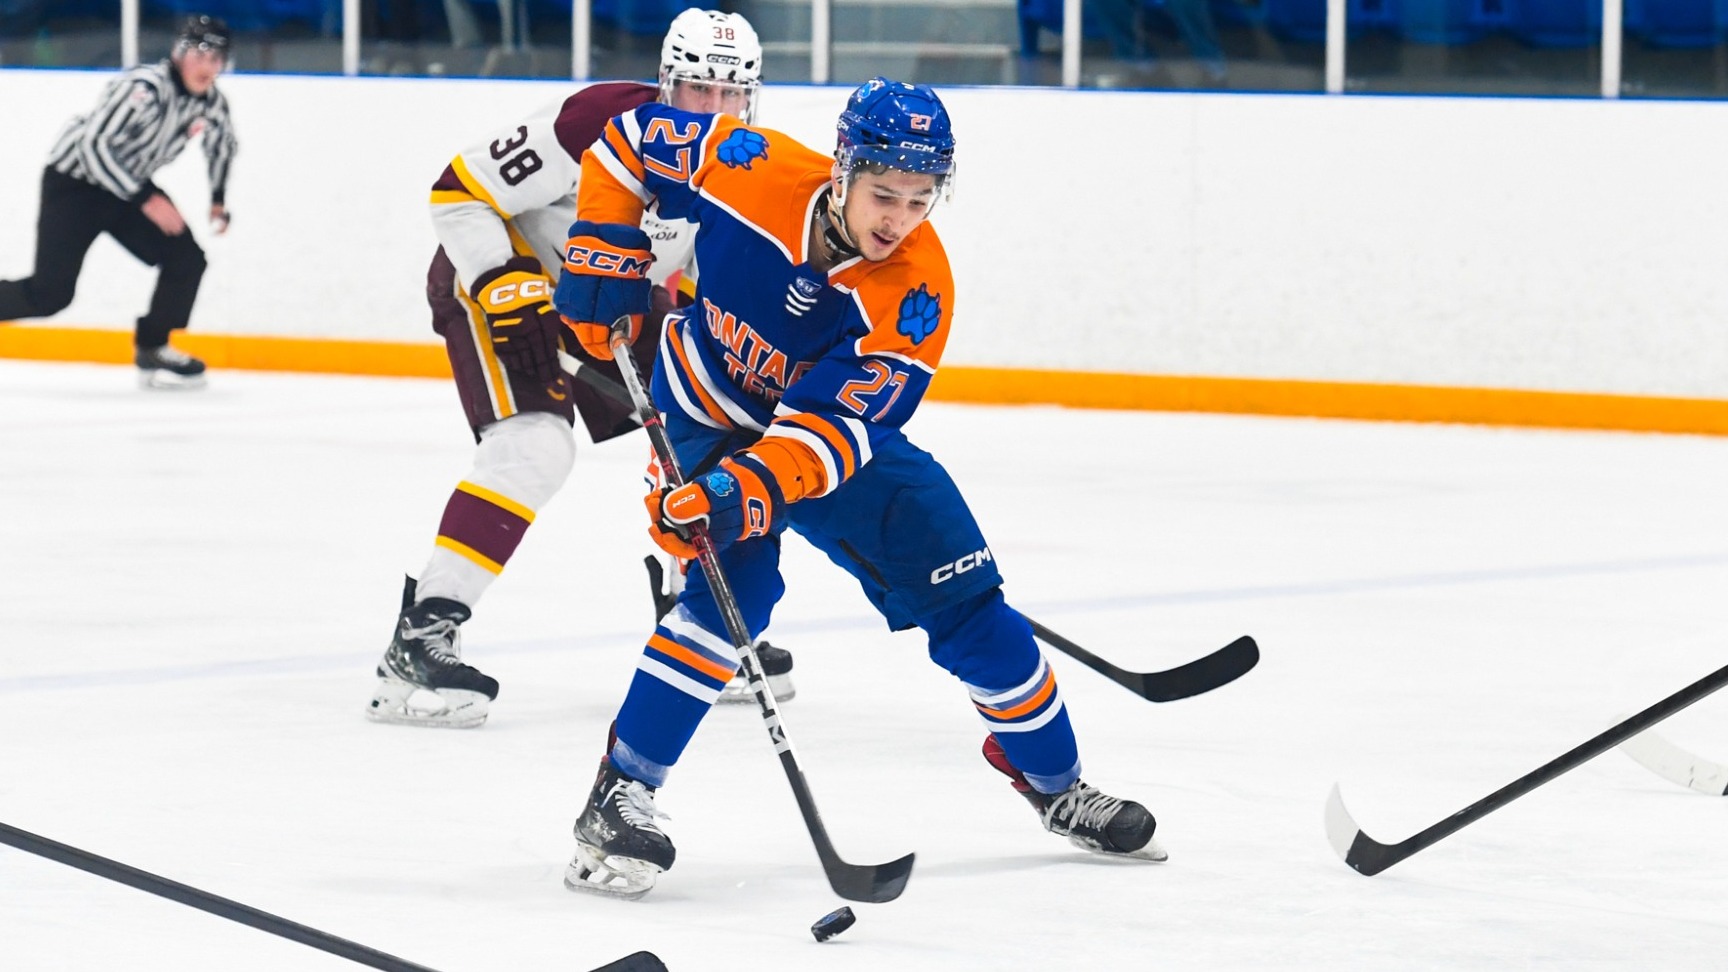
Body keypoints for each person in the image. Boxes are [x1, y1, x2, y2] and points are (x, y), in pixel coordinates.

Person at [553, 77, 1166, 898]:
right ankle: (620, 794)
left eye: (920, 200)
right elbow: (625, 143)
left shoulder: (915, 294)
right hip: (705, 405)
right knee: (731, 590)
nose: (898, 221)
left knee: (969, 602)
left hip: (822, 440)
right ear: (841, 171)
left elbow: (828, 435)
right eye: (884, 194)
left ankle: (1057, 788)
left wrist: (743, 494)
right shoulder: (747, 161)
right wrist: (605, 247)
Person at [365, 9, 794, 731]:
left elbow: (703, 283)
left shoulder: (748, 167)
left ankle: (698, 617)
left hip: (612, 302)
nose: (714, 111)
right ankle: (422, 635)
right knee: (534, 446)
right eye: (697, 91)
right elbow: (459, 189)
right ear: (666, 85)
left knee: (706, 433)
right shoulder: (594, 122)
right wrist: (503, 278)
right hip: (503, 285)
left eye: (731, 95)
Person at [0, 14, 237, 389]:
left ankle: (154, 346)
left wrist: (218, 200)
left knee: (186, 258)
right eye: (200, 55)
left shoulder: (211, 103)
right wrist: (145, 197)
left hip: (127, 189)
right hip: (75, 186)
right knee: (50, 294)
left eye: (216, 59)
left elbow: (221, 145)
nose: (207, 67)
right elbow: (93, 145)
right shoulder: (144, 88)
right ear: (179, 53)